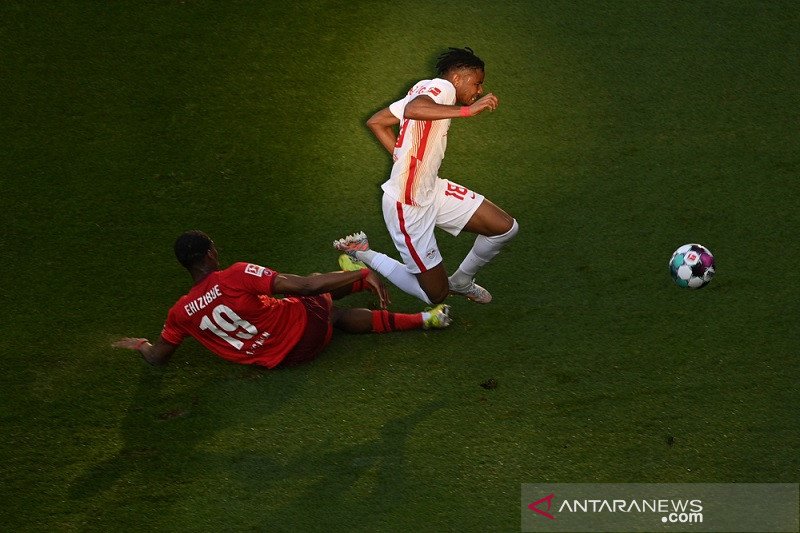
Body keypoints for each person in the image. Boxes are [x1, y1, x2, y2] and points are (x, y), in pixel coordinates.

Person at [334, 46, 518, 305]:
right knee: (436, 295)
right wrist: (468, 111)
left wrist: (402, 158)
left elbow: (377, 121)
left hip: (431, 189)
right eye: (477, 83)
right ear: (457, 78)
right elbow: (415, 109)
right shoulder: (442, 89)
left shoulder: (423, 88)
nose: (479, 90)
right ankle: (362, 253)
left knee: (505, 228)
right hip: (407, 206)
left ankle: (462, 281)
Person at [113, 230, 451, 368]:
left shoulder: (181, 312)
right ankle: (362, 276)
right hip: (304, 331)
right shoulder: (234, 275)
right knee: (321, 296)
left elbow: (158, 356)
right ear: (210, 254)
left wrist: (141, 345)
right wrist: (360, 274)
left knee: (319, 304)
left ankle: (426, 319)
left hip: (281, 359)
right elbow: (305, 286)